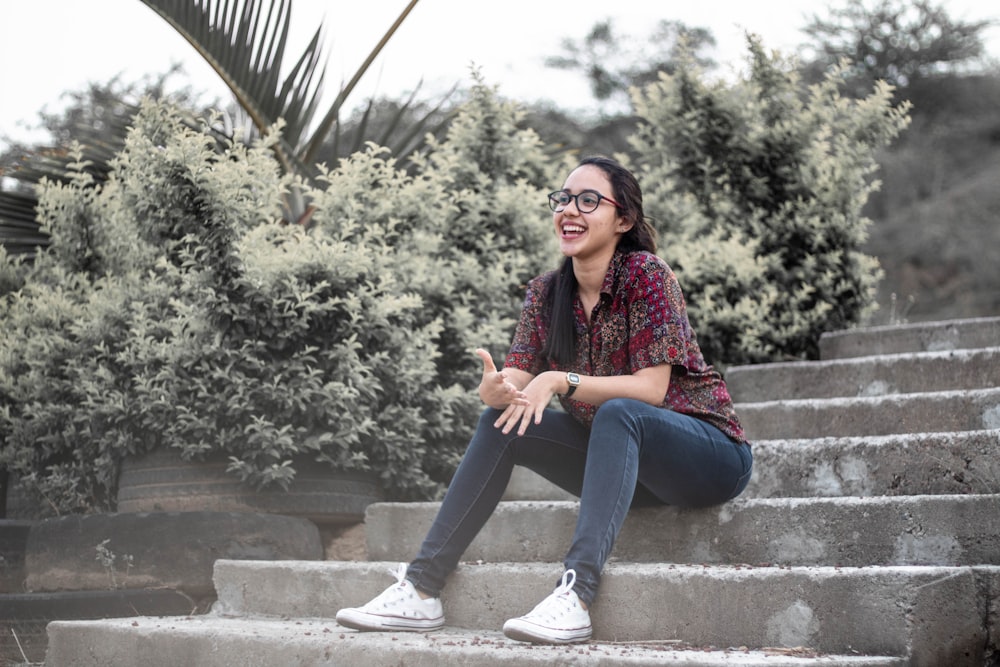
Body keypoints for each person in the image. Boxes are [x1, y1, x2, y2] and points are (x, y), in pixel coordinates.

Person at [335, 155, 753, 644]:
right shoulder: (547, 292)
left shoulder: (647, 276)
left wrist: (559, 379)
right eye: (564, 198)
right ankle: (421, 590)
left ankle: (574, 595)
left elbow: (651, 391)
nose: (570, 209)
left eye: (588, 200)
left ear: (624, 219)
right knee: (500, 422)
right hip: (630, 472)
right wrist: (494, 389)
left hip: (709, 457)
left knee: (621, 413)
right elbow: (516, 374)